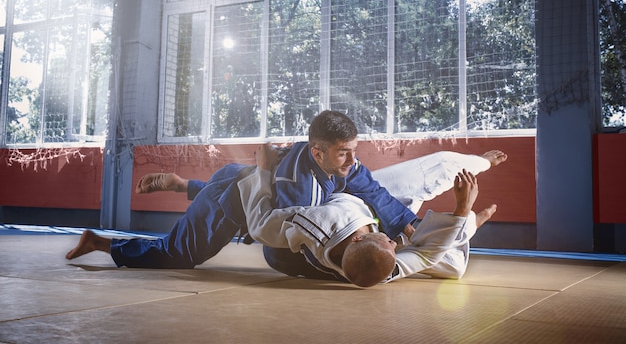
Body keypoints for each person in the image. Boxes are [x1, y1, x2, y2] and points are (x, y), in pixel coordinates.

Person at [65, 111, 428, 268]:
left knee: (238, 184)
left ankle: (182, 185)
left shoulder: (341, 162)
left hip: (242, 176)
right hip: (233, 199)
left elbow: (374, 191)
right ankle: (100, 243)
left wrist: (407, 223)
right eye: (344, 152)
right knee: (177, 255)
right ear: (318, 152)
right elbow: (265, 225)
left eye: (354, 150)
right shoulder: (294, 186)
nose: (353, 160)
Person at [237, 143, 496, 287]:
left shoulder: (318, 223)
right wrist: (463, 212)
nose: (395, 243)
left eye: (388, 242)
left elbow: (259, 224)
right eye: (394, 247)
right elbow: (427, 254)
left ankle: (481, 161)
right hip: (370, 222)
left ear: (359, 239)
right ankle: (470, 225)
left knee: (440, 166)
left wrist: (263, 169)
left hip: (358, 199)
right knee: (453, 267)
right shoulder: (381, 271)